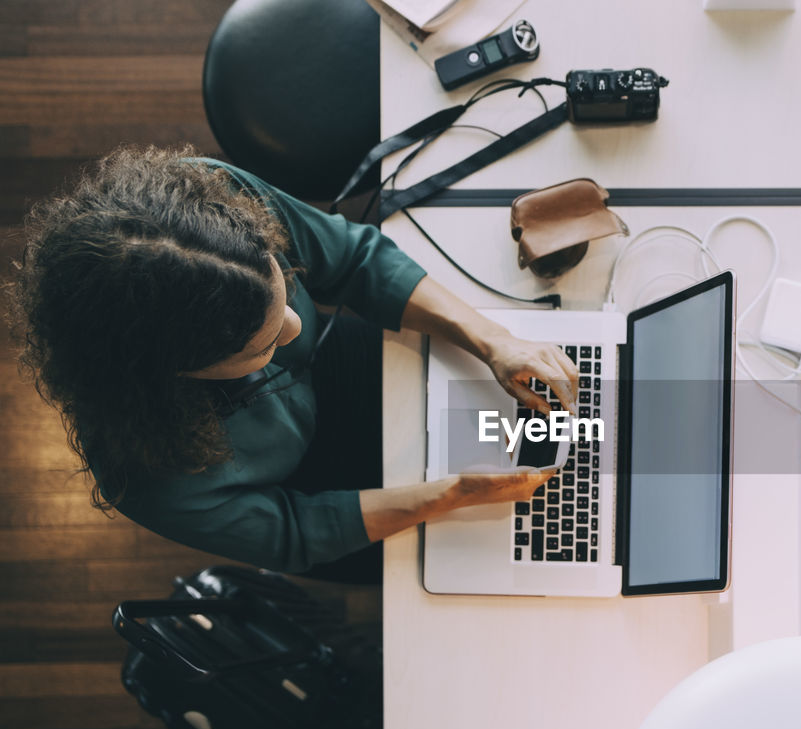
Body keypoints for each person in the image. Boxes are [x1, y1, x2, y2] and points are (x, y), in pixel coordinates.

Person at [5, 146, 577, 582]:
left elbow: (353, 259)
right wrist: (448, 495)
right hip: (313, 489)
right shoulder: (149, 474)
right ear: (175, 373)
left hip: (335, 375)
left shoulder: (214, 209)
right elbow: (294, 533)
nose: (298, 326)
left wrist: (492, 337)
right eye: (260, 345)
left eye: (283, 295)